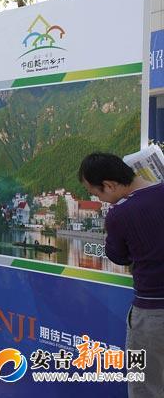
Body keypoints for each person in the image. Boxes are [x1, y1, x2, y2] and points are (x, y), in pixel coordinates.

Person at [78, 152, 164, 398]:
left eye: (97, 194)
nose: (100, 200)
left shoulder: (120, 214)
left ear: (109, 185)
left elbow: (118, 256)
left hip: (152, 313)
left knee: (147, 387)